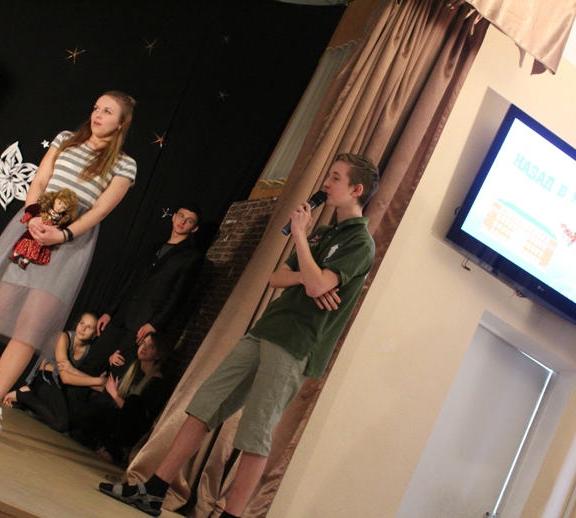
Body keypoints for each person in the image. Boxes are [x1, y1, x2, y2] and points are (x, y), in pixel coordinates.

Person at [99, 153, 379, 517]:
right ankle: (154, 489)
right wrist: (307, 275)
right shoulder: (323, 234)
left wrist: (301, 243)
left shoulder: (360, 242)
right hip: (266, 330)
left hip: (296, 344)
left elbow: (319, 285)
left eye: (336, 178)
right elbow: (278, 278)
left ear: (356, 189)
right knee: (204, 405)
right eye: (328, 175)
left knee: (255, 432)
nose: (326, 183)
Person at [0, 91, 137, 434]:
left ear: (121, 123)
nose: (97, 115)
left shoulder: (124, 164)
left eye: (107, 111)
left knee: (29, 330)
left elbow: (100, 210)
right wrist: (34, 217)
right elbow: (40, 180)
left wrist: (63, 234)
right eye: (96, 107)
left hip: (69, 246)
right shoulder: (66, 140)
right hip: (32, 229)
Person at [83, 203, 203, 379]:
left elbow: (177, 296)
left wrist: (153, 324)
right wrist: (109, 312)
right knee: (92, 361)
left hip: (143, 323)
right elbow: (131, 281)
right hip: (121, 316)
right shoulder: (154, 247)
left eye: (190, 220)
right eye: (181, 216)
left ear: (195, 228)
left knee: (118, 372)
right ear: (173, 217)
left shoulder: (191, 256)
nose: (183, 222)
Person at [72, 332, 171, 465]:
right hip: (118, 418)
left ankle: (112, 449)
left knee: (134, 400)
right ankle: (101, 442)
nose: (144, 348)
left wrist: (115, 395)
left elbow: (136, 415)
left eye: (151, 347)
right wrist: (111, 358)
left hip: (135, 429)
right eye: (143, 343)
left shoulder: (157, 381)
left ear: (158, 355)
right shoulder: (133, 368)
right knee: (80, 411)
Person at [2, 312, 105, 432]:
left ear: (94, 334)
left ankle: (30, 396)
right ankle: (23, 395)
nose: (83, 328)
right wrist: (98, 381)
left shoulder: (89, 351)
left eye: (89, 327)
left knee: (73, 420)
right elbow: (65, 377)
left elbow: (102, 388)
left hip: (60, 387)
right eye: (82, 323)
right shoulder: (63, 337)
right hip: (46, 380)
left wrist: (93, 379)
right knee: (61, 424)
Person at [9, 187, 79, 269]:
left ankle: (24, 262)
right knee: (25, 242)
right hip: (35, 229)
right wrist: (28, 217)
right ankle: (15, 255)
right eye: (59, 203)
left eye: (64, 207)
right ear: (55, 199)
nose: (59, 208)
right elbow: (32, 209)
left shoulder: (62, 219)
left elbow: (61, 229)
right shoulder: (44, 208)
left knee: (35, 250)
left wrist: (57, 238)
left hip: (46, 236)